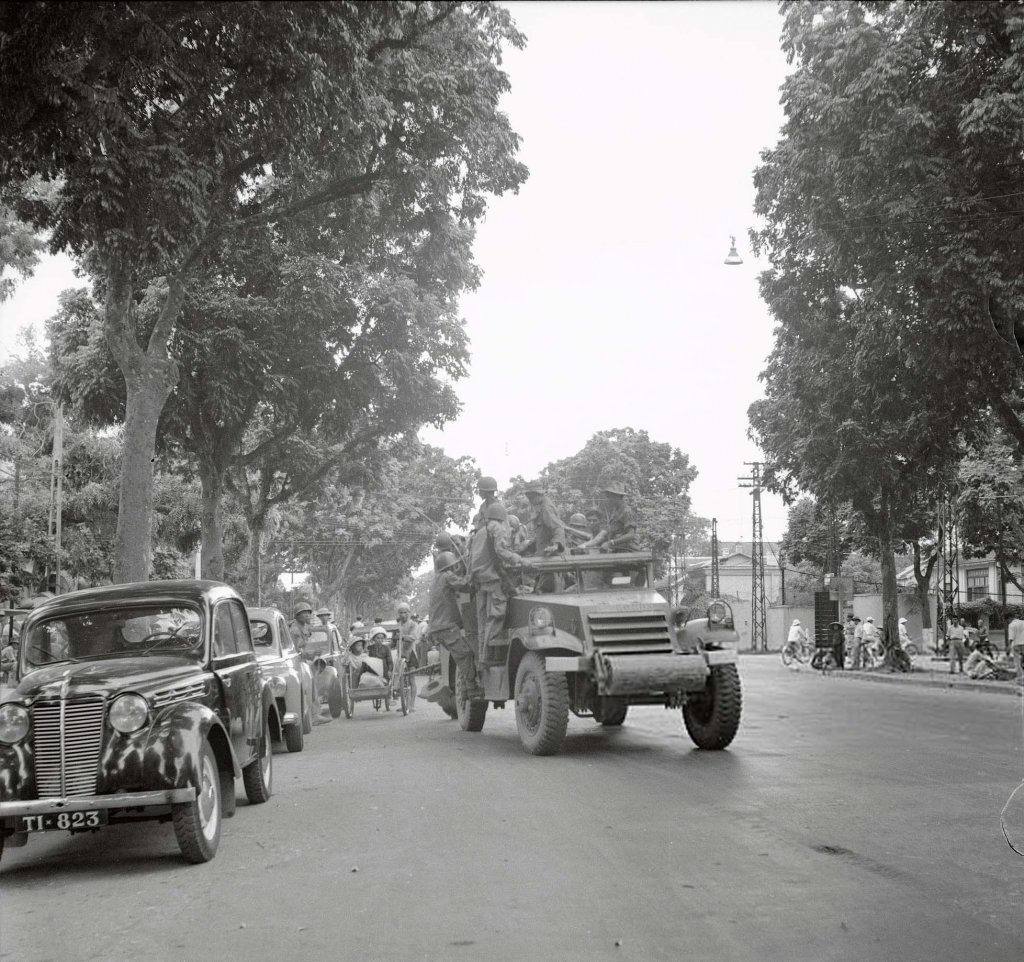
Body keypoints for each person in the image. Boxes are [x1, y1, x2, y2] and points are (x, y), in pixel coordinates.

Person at [468, 500, 529, 664]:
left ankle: (482, 655)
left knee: (482, 621)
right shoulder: (498, 528)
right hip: (493, 579)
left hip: (480, 581)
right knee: (497, 614)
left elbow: (471, 559)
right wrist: (520, 560)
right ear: (503, 518)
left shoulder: (480, 532)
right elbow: (501, 551)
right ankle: (490, 654)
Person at [428, 550, 482, 699]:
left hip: (437, 629)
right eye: (453, 566)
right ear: (449, 567)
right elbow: (465, 585)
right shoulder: (447, 576)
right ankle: (471, 689)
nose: (454, 568)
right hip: (446, 627)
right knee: (465, 654)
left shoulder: (437, 579)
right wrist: (472, 575)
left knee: (459, 654)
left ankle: (466, 687)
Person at [580, 482, 640, 553]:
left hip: (629, 551)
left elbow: (630, 535)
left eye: (609, 496)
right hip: (618, 550)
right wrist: (585, 545)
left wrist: (611, 543)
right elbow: (603, 534)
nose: (607, 499)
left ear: (617, 496)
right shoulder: (614, 513)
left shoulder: (626, 512)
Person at [519, 482, 567, 557]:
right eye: (529, 498)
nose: (530, 501)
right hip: (542, 550)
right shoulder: (540, 505)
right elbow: (543, 532)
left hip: (550, 554)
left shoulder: (546, 509)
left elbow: (558, 528)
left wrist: (555, 545)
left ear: (538, 494)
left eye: (531, 498)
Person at [396, 601, 419, 711]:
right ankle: (404, 704)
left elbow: (413, 637)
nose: (402, 615)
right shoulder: (397, 625)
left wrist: (403, 637)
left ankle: (412, 704)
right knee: (402, 681)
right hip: (401, 655)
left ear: (409, 613)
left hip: (411, 654)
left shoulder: (413, 624)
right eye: (400, 613)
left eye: (405, 612)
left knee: (411, 680)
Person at [1006, 613, 1024, 680]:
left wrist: (1008, 647)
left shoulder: (1011, 625)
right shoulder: (1023, 622)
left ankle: (1020, 677)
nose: (1008, 621)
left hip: (1016, 645)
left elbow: (1011, 638)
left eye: (1007, 620)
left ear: (1009, 618)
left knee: (1017, 662)